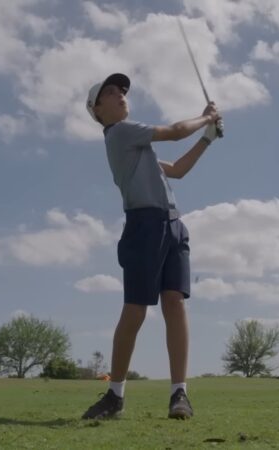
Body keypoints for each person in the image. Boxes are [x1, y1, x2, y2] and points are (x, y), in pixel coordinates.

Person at [80, 73, 220, 420]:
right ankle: (114, 395)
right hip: (144, 226)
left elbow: (178, 170)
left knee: (174, 303)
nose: (120, 95)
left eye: (122, 90)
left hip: (174, 225)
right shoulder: (120, 133)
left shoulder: (138, 149)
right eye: (109, 93)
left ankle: (179, 394)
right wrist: (207, 116)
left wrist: (208, 138)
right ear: (98, 112)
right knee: (136, 310)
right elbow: (173, 130)